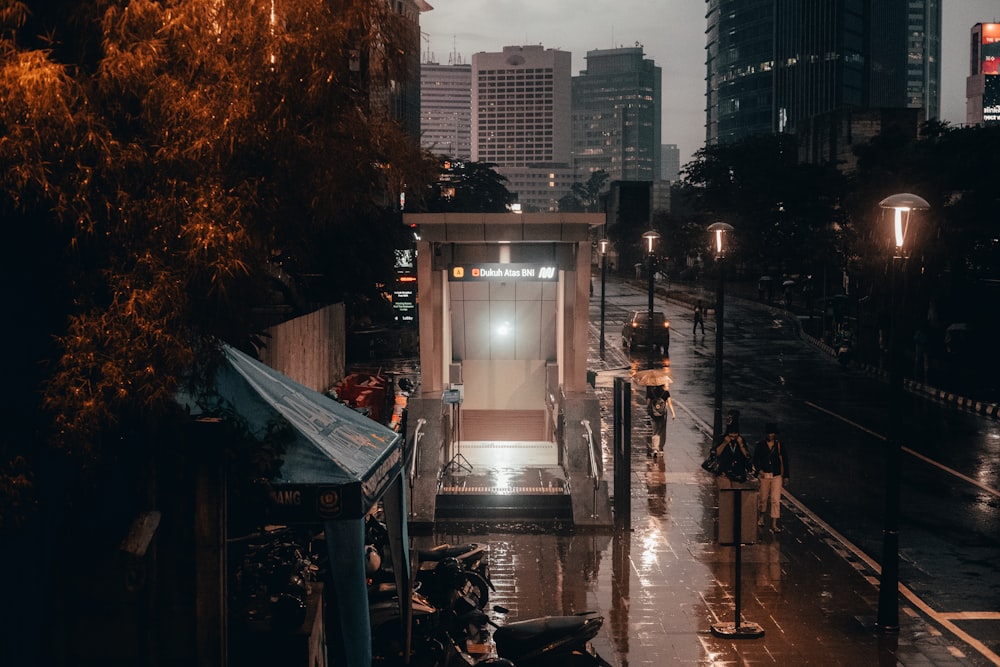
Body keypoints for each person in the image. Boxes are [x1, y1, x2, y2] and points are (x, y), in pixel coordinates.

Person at [753, 422, 789, 532]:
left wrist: (786, 476)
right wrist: (759, 471)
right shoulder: (760, 445)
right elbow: (755, 460)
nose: (771, 435)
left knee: (775, 499)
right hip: (765, 475)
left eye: (772, 433)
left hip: (776, 475)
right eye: (769, 433)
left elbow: (785, 461)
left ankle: (774, 524)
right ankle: (761, 517)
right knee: (763, 498)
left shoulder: (779, 445)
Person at [714, 409, 750, 482]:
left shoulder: (740, 440)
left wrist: (741, 445)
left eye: (735, 435)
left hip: (739, 472)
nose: (733, 437)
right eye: (731, 435)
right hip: (724, 472)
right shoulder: (722, 439)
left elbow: (747, 456)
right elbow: (716, 453)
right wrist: (724, 443)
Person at [645, 381, 676, 458]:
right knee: (662, 431)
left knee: (655, 430)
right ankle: (661, 448)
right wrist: (673, 413)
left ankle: (655, 449)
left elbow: (648, 404)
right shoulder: (666, 393)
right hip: (663, 414)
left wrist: (649, 409)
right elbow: (669, 403)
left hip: (654, 414)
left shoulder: (651, 393)